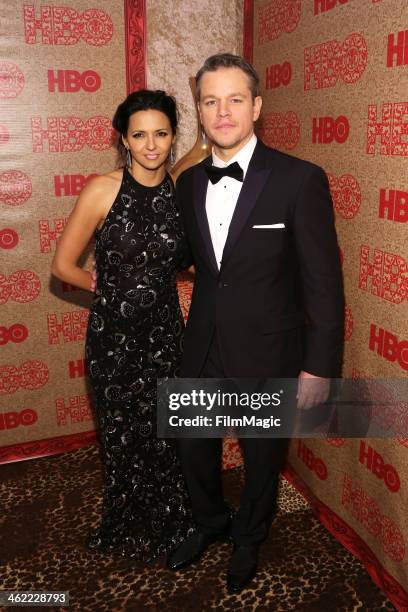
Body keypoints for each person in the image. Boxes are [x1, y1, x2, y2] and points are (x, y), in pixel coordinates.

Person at [166, 54, 345, 592]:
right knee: (193, 447)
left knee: (262, 453)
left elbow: (323, 283)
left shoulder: (300, 179)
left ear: (257, 106)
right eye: (211, 100)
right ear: (199, 109)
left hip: (269, 349)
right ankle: (211, 523)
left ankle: (249, 537)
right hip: (201, 342)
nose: (223, 112)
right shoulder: (189, 183)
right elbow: (186, 257)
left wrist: (319, 367)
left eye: (235, 99)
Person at [51, 89, 193, 561]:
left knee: (167, 435)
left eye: (161, 133)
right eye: (139, 135)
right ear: (124, 140)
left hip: (166, 336)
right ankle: (127, 526)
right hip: (114, 341)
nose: (151, 145)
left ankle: (172, 523)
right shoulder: (101, 188)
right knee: (123, 438)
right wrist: (112, 294)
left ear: (173, 137)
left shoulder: (180, 190)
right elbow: (63, 267)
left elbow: (187, 261)